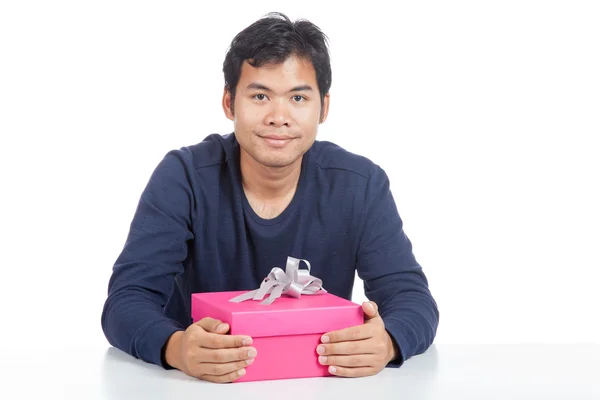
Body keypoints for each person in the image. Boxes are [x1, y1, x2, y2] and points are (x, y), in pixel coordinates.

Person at [101, 12, 439, 383]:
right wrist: (175, 347)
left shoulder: (360, 184)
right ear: (229, 103)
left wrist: (388, 341)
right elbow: (126, 301)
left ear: (323, 108)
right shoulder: (183, 176)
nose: (279, 117)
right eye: (260, 96)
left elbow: (411, 298)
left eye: (297, 97)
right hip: (204, 386)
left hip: (319, 383)